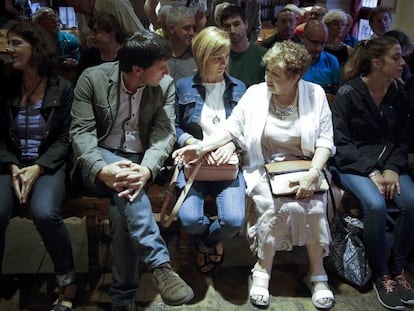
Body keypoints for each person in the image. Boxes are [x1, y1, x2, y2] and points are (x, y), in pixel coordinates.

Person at [173, 40, 335, 309]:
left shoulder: (314, 94)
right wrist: (201, 147)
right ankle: (262, 270)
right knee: (273, 205)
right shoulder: (257, 94)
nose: (267, 78)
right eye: (267, 71)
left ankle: (318, 275)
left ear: (296, 77)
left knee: (315, 205)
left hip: (306, 166)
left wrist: (314, 172)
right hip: (263, 166)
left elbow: (325, 142)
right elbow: (231, 129)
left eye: (275, 74)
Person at [69, 30, 194, 310]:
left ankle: (122, 299)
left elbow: (164, 133)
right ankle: (160, 264)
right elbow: (82, 134)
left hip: (139, 159)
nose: (167, 71)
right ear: (137, 70)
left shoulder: (164, 86)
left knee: (122, 208)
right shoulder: (93, 79)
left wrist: (147, 170)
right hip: (99, 159)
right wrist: (102, 170)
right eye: (161, 67)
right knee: (127, 189)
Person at [330, 36, 414, 310]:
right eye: (396, 57)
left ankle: (398, 268)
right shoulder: (348, 94)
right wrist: (372, 172)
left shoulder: (398, 92)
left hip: (388, 164)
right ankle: (381, 273)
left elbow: (403, 139)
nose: (402, 63)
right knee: (376, 205)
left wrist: (390, 168)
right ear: (377, 63)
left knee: (411, 203)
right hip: (354, 164)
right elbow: (341, 143)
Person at [0, 21, 76, 311]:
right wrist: (11, 166)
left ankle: (67, 280)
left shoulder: (62, 88)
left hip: (49, 164)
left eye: (16, 43)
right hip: (12, 164)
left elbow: (66, 138)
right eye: (8, 43)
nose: (9, 49)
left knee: (44, 212)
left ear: (36, 48)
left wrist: (38, 167)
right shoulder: (6, 85)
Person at [174, 26, 246, 273]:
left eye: (226, 55)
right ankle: (205, 237)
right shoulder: (183, 86)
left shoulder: (239, 88)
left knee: (234, 221)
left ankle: (206, 243)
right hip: (196, 163)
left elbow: (249, 128)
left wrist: (233, 144)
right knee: (189, 219)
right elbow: (170, 126)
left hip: (228, 164)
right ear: (201, 57)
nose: (223, 62)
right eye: (216, 56)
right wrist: (189, 142)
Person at [220, 5, 266, 87]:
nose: (232, 31)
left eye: (236, 24)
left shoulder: (264, 55)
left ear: (246, 24)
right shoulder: (220, 57)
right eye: (227, 26)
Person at [66, 0, 144, 47]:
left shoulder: (115, 4)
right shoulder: (79, 10)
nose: (71, 6)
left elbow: (141, 38)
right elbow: (83, 42)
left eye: (73, 2)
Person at [75, 12, 128, 80]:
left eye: (96, 32)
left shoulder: (127, 55)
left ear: (111, 35)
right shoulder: (88, 56)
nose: (91, 36)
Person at [301, 19, 340, 105]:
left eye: (323, 43)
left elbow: (337, 90)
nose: (319, 48)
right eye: (315, 43)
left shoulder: (331, 61)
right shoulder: (290, 59)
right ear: (303, 38)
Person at [165, 6, 197, 81]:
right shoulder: (157, 56)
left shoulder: (198, 56)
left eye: (194, 28)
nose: (192, 33)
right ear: (171, 28)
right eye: (186, 28)